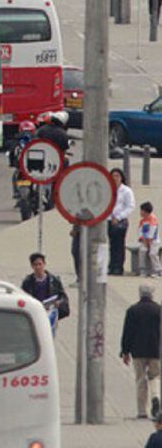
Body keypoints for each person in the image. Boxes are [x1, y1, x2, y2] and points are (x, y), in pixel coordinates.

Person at [121, 285, 162, 419]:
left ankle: (142, 411)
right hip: (156, 350)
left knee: (140, 379)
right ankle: (156, 397)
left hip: (138, 351)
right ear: (152, 294)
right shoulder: (159, 310)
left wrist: (125, 351)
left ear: (140, 294)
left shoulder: (132, 310)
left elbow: (127, 332)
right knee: (155, 376)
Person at [111, 167, 137, 275]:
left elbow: (130, 206)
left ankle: (118, 267)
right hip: (109, 220)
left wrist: (119, 217)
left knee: (119, 244)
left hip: (120, 221)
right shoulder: (108, 189)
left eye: (117, 176)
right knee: (111, 245)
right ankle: (111, 265)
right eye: (113, 176)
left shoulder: (126, 191)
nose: (115, 178)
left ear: (121, 177)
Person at [141, 202, 162, 277]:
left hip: (154, 242)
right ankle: (143, 270)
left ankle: (158, 270)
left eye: (142, 210)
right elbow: (141, 230)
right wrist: (143, 239)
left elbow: (152, 232)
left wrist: (149, 241)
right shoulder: (143, 220)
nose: (141, 212)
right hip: (145, 241)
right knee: (142, 251)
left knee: (152, 254)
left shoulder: (152, 219)